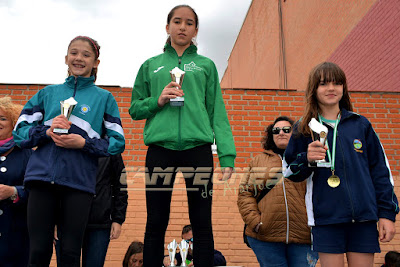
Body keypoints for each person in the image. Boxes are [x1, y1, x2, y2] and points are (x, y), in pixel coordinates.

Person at [129, 5, 236, 267]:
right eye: (177, 21)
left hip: (197, 149)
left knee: (201, 221)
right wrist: (159, 100)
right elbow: (134, 108)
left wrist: (226, 154)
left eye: (189, 23)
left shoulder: (205, 66)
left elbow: (217, 112)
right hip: (160, 150)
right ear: (167, 27)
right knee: (156, 220)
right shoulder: (151, 65)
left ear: (195, 30)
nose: (182, 27)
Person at [13, 36, 125, 267]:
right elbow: (20, 133)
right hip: (41, 180)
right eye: (74, 53)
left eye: (86, 55)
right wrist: (46, 131)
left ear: (96, 62)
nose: (79, 58)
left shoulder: (105, 98)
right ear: (66, 58)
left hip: (79, 184)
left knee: (70, 253)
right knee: (38, 251)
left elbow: (117, 142)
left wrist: (84, 144)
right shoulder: (47, 94)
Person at [283, 62, 398, 267]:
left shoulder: (361, 124)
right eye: (323, 84)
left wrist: (387, 214)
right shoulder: (304, 128)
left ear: (343, 88)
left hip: (363, 219)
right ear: (313, 89)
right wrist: (306, 159)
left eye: (337, 83)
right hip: (327, 219)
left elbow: (381, 172)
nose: (331, 88)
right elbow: (289, 171)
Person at [237, 116, 318, 267]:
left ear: (295, 134)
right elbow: (245, 194)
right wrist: (256, 222)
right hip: (266, 236)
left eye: (287, 130)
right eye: (276, 130)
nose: (281, 133)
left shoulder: (308, 159)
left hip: (304, 235)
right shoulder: (258, 161)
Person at [55, 154, 128, 267]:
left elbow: (121, 186)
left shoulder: (110, 147)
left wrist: (118, 219)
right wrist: (53, 220)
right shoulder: (67, 142)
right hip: (67, 223)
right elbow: (55, 186)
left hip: (99, 223)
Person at [0, 97, 32, 267]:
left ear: (14, 123)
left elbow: (37, 190)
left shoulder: (26, 153)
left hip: (16, 235)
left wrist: (13, 191)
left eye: (3, 118)